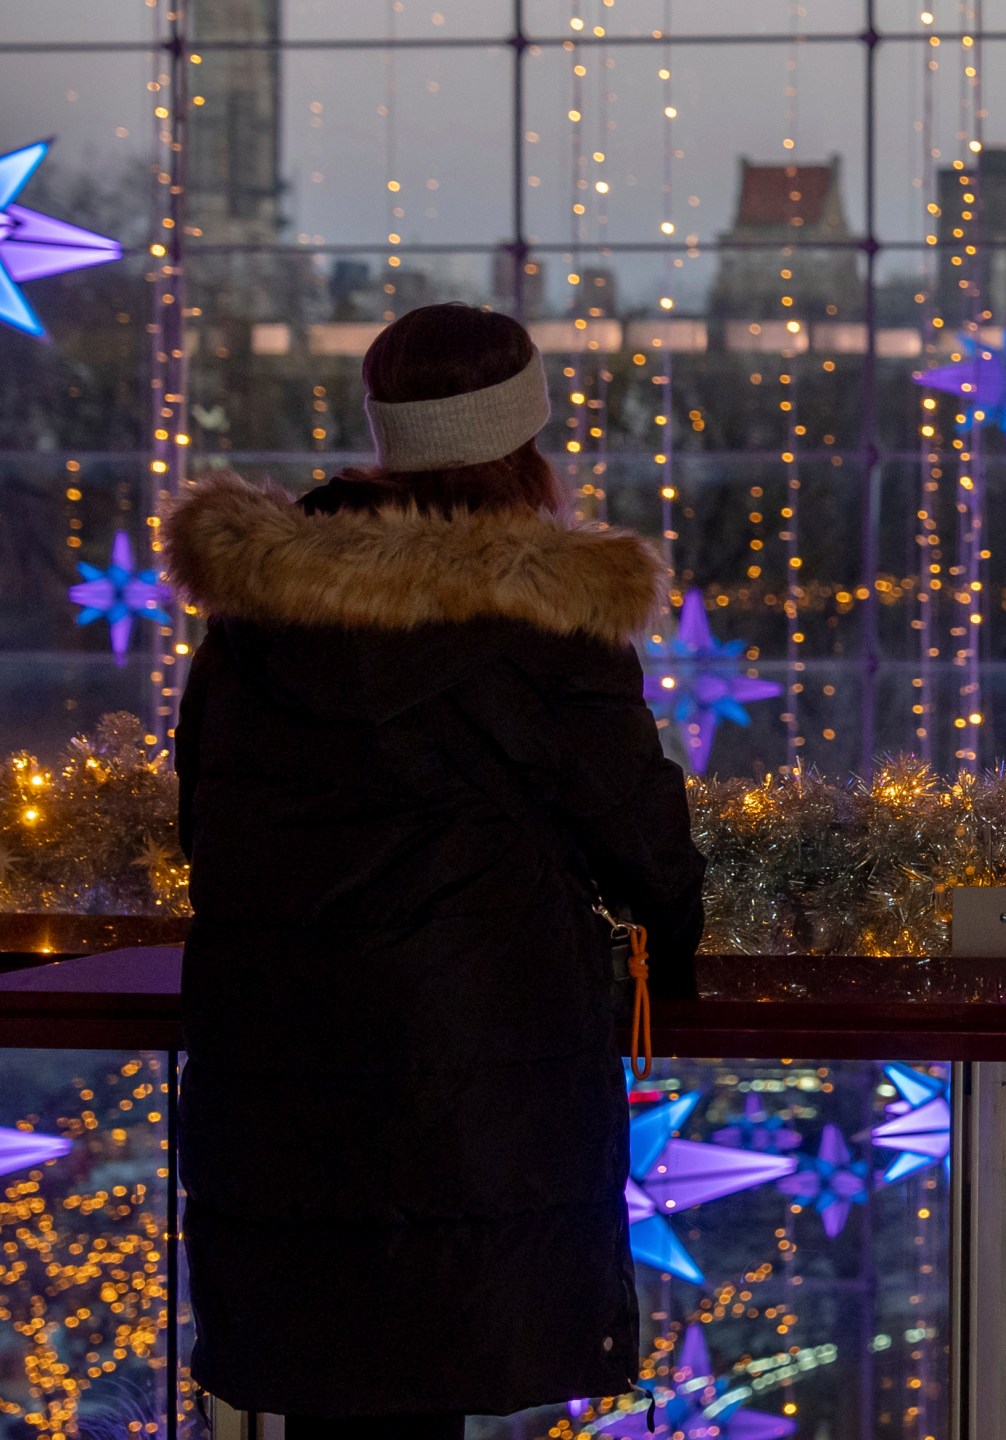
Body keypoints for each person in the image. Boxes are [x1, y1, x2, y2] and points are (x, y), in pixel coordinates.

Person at [166, 304, 704, 1438]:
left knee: (335, 1381)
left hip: (278, 1054)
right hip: (474, 1053)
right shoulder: (548, 612)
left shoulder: (260, 604)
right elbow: (633, 824)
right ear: (523, 438)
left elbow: (203, 816)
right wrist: (679, 944)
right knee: (436, 1363)